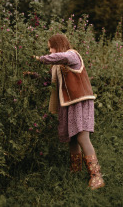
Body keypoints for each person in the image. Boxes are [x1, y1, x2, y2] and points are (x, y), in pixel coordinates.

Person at [34, 34, 105, 190]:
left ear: (58, 46)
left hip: (80, 101)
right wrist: (34, 76)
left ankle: (97, 177)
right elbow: (50, 81)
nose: (50, 51)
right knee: (72, 137)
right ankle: (75, 170)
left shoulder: (72, 55)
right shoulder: (58, 65)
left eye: (50, 47)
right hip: (69, 104)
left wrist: (41, 59)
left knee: (82, 137)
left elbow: (61, 56)